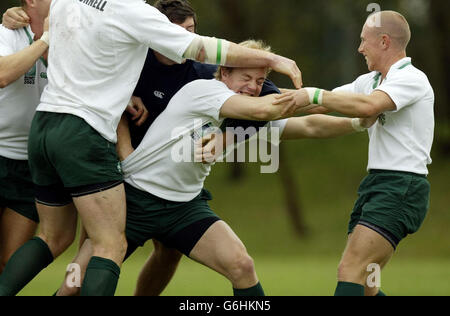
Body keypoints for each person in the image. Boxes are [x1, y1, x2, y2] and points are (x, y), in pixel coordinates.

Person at [0, 0, 302, 297]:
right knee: (108, 248)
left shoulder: (68, 2)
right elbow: (200, 46)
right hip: (88, 138)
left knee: (53, 236)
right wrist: (276, 60)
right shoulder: (134, 12)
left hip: (45, 125)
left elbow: (56, 41)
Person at [274, 11, 434, 296]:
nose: (359, 48)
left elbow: (367, 107)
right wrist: (248, 99)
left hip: (401, 187)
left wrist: (313, 95)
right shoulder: (370, 81)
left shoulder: (411, 78)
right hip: (378, 184)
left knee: (350, 270)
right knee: (366, 284)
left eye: (364, 41)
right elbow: (320, 103)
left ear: (384, 41)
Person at [0, 0, 49, 276]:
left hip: (31, 165)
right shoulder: (6, 32)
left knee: (10, 263)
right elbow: (3, 74)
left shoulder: (68, 37)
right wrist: (43, 41)